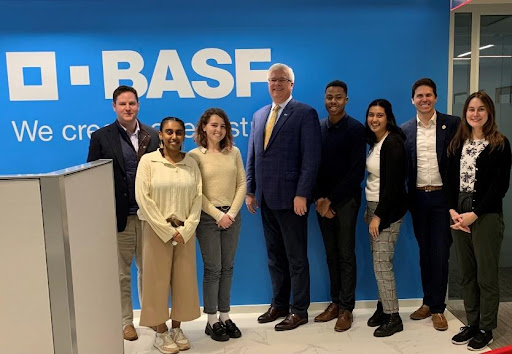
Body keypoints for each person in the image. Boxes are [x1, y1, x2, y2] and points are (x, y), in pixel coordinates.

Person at [245, 63, 322, 331]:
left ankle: (299, 310)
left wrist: (302, 194)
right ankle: (279, 304)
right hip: (265, 198)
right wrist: (250, 189)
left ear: (291, 84)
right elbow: (253, 155)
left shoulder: (305, 113)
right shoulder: (259, 115)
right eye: (271, 80)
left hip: (292, 200)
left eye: (281, 80)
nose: (276, 84)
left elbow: (311, 159)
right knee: (274, 256)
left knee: (296, 257)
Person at [87, 85, 159, 341]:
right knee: (121, 273)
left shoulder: (154, 135)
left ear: (138, 105)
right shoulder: (100, 137)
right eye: (122, 104)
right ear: (114, 107)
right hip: (120, 218)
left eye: (132, 103)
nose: (128, 108)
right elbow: (93, 180)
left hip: (149, 217)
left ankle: (151, 317)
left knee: (149, 271)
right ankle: (126, 322)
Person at [447, 91, 511, 351]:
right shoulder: (457, 142)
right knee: (467, 273)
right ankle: (472, 322)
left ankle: (486, 327)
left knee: (486, 275)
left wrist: (474, 214)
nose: (475, 114)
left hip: (485, 213)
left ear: (489, 113)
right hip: (459, 211)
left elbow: (500, 187)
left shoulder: (499, 144)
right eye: (471, 109)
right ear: (465, 113)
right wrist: (453, 210)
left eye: (481, 109)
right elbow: (450, 180)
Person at [135, 117, 202, 354]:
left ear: (184, 136)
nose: (174, 137)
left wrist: (186, 229)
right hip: (155, 231)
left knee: (184, 282)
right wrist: (166, 230)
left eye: (179, 133)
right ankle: (161, 332)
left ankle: (176, 328)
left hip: (185, 233)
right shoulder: (148, 161)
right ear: (160, 135)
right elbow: (143, 198)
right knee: (156, 282)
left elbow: (197, 198)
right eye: (169, 132)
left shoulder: (191, 163)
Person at [401, 78, 459, 331]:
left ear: (435, 98)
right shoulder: (404, 130)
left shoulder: (453, 124)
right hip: (418, 199)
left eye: (429, 95)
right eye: (419, 96)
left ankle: (438, 308)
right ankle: (427, 302)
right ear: (412, 99)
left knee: (440, 253)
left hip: (442, 199)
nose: (424, 99)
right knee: (425, 252)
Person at [189, 108, 247, 342]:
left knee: (228, 268)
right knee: (213, 269)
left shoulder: (234, 152)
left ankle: (225, 316)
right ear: (204, 126)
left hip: (232, 217)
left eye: (223, 126)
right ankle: (211, 320)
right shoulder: (195, 156)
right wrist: (217, 215)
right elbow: (196, 192)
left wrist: (231, 213)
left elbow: (242, 183)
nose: (218, 130)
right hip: (208, 219)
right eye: (214, 125)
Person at [313, 80, 365, 332]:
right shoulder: (318, 128)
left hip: (345, 202)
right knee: (331, 255)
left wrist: (330, 200)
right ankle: (335, 302)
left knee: (346, 255)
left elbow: (356, 172)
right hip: (322, 202)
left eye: (338, 97)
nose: (333, 101)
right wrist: (319, 199)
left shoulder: (355, 129)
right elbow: (312, 167)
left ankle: (347, 308)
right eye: (329, 97)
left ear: (346, 100)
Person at [364, 99, 407, 337]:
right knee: (377, 262)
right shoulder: (376, 141)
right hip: (374, 207)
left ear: (388, 117)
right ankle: (383, 307)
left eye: (380, 115)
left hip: (387, 211)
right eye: (371, 114)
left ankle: (394, 317)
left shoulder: (393, 143)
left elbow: (393, 186)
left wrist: (378, 215)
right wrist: (368, 211)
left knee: (382, 264)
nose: (374, 119)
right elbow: (374, 181)